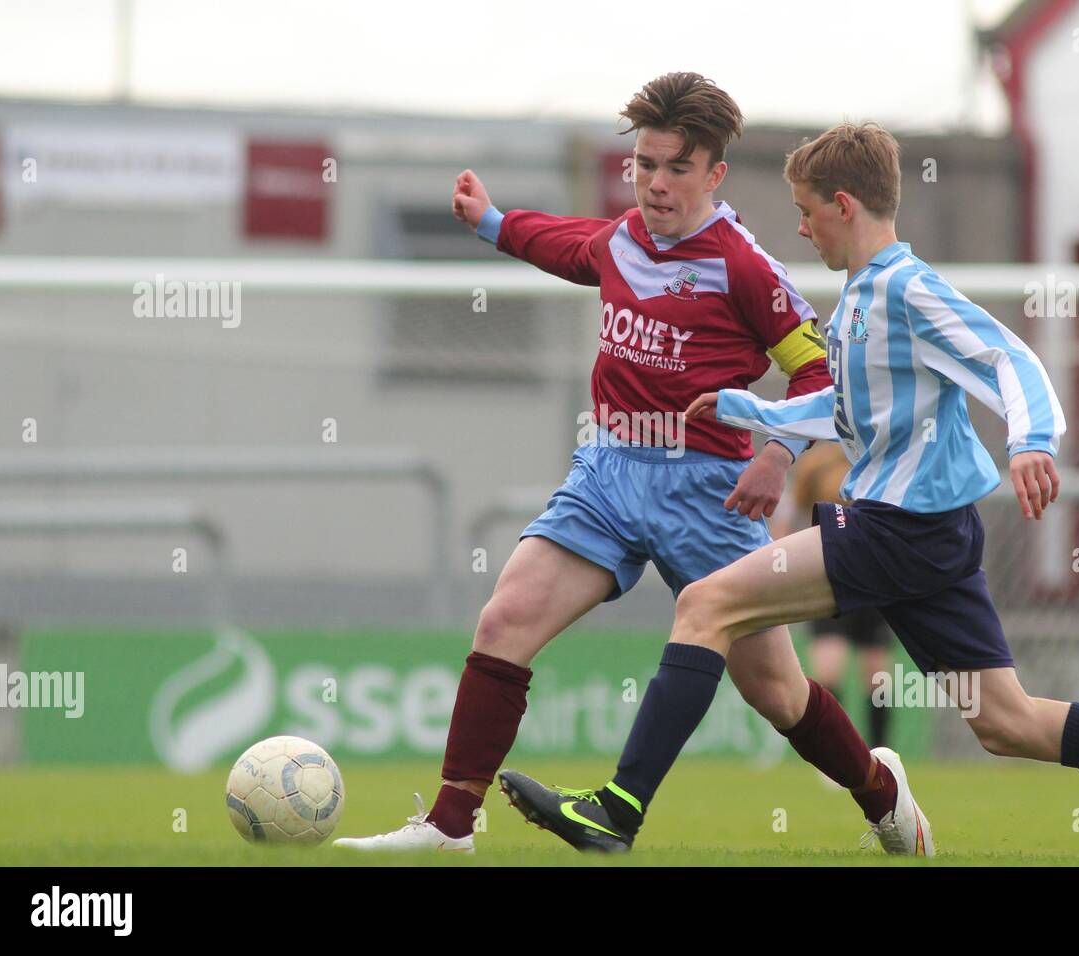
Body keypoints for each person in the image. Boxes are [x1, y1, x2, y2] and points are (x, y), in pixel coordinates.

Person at [500, 121, 1079, 866]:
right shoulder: (862, 300)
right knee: (1007, 723)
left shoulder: (906, 290)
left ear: (844, 205)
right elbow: (848, 411)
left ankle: (619, 810)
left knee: (705, 604)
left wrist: (1032, 442)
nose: (801, 232)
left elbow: (1012, 361)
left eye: (806, 214)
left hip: (893, 530)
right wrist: (750, 409)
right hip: (931, 536)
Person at [336, 75, 913, 854]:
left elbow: (819, 373)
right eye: (644, 164)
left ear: (714, 174)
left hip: (708, 491)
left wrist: (778, 453)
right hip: (607, 473)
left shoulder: (744, 267)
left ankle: (883, 796)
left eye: (677, 167)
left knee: (775, 690)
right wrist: (493, 222)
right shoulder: (620, 241)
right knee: (505, 620)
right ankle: (448, 827)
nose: (656, 183)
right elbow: (565, 245)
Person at [775, 441, 895, 748]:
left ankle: (880, 756)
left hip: (875, 581)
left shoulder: (881, 457)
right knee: (829, 670)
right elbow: (788, 516)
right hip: (828, 578)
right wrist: (782, 562)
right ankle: (838, 754)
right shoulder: (815, 463)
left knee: (877, 676)